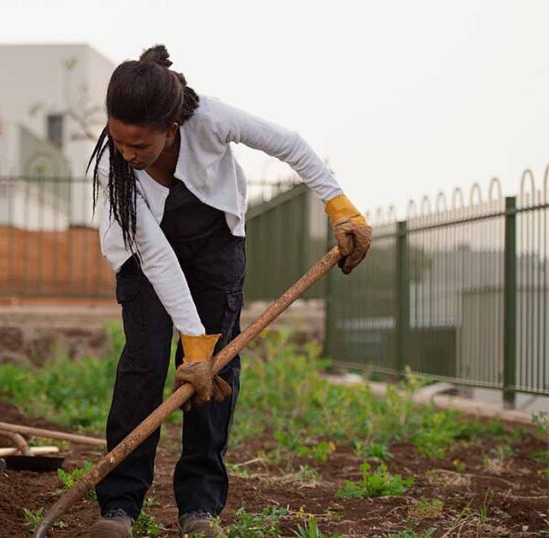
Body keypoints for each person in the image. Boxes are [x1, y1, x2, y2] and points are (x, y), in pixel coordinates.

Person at [87, 44, 371, 538]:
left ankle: (199, 505)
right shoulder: (118, 171)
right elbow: (156, 257)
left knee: (216, 371)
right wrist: (190, 342)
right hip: (143, 257)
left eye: (139, 145)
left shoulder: (211, 119)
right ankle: (119, 505)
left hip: (214, 241)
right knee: (145, 361)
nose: (126, 153)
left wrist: (339, 205)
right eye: (118, 139)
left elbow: (289, 143)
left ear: (169, 128)